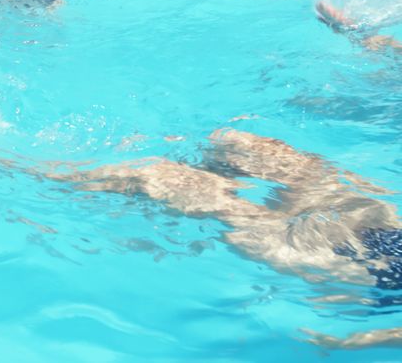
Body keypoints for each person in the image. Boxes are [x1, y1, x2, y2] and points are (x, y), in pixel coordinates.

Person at [47, 128, 402, 349]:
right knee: (238, 144)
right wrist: (353, 343)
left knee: (167, 181)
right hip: (377, 233)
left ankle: (22, 166)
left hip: (359, 269)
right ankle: (19, 163)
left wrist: (352, 343)